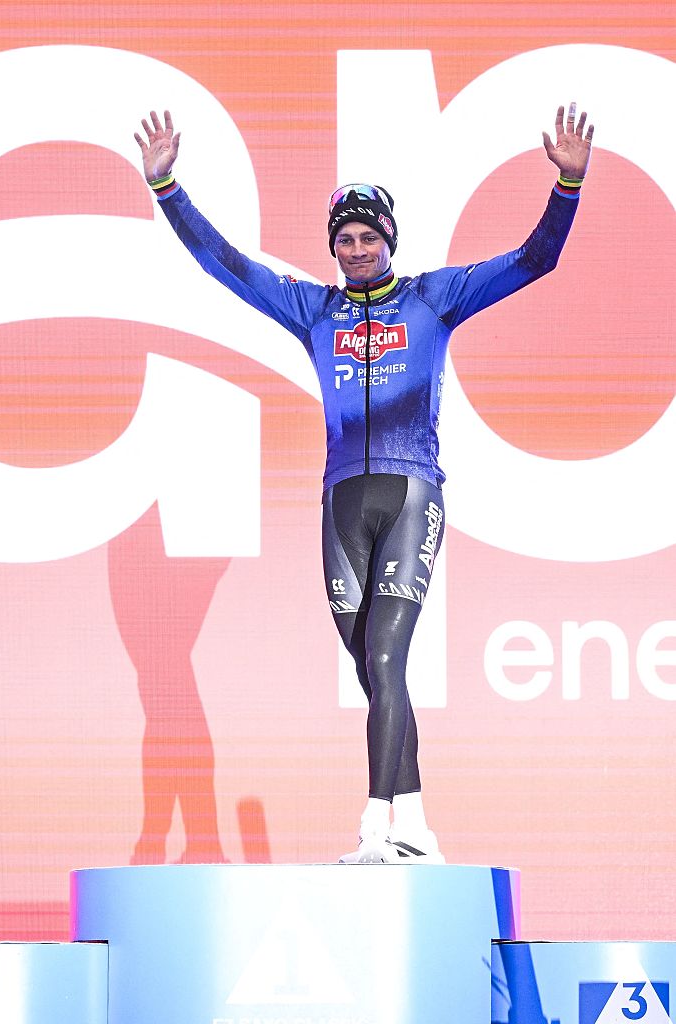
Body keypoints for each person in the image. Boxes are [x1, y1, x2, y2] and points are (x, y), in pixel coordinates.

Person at [135, 104, 593, 864]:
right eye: (344, 241)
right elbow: (224, 263)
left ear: (389, 240)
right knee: (372, 668)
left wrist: (568, 185)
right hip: (341, 503)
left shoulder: (433, 298)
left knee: (384, 658)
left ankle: (377, 826)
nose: (355, 251)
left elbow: (533, 259)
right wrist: (167, 188)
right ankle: (417, 826)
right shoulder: (313, 309)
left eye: (367, 238)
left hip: (411, 493)